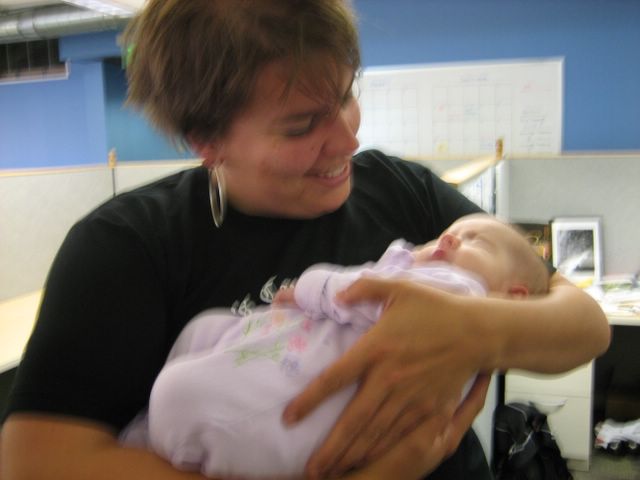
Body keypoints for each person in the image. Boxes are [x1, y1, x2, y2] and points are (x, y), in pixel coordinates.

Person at [0, 1, 610, 480]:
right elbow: (36, 460)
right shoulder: (126, 247)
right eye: (300, 127)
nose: (347, 140)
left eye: (346, 96)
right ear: (206, 141)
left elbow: (584, 325)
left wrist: (473, 329)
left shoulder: (399, 189)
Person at [120, 214, 551, 479]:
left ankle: (168, 432)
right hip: (284, 351)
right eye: (449, 232)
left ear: (512, 297)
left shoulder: (463, 293)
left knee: (177, 395)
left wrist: (312, 285)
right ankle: (154, 433)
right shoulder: (429, 274)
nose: (449, 239)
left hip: (297, 403)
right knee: (204, 329)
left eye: (476, 241)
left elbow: (357, 291)